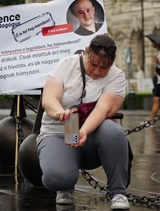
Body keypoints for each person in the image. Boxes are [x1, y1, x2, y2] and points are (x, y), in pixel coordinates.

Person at [36, 34, 130, 209]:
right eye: (93, 64)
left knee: (113, 131)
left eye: (104, 67)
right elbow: (49, 99)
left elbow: (103, 109)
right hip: (59, 132)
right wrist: (60, 113)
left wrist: (84, 131)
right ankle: (64, 185)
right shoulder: (66, 65)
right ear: (86, 52)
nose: (96, 71)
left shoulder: (117, 76)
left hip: (93, 137)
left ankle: (118, 192)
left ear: (112, 63)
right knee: (57, 177)